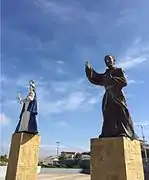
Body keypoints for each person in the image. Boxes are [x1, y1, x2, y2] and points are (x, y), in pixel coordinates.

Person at [85, 55, 137, 139]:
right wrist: (89, 70)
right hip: (108, 95)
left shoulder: (119, 70)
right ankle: (108, 133)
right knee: (108, 114)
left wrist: (111, 79)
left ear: (114, 60)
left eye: (109, 59)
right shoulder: (105, 74)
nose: (107, 61)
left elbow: (124, 81)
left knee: (121, 112)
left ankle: (124, 131)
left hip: (117, 94)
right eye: (105, 60)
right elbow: (96, 78)